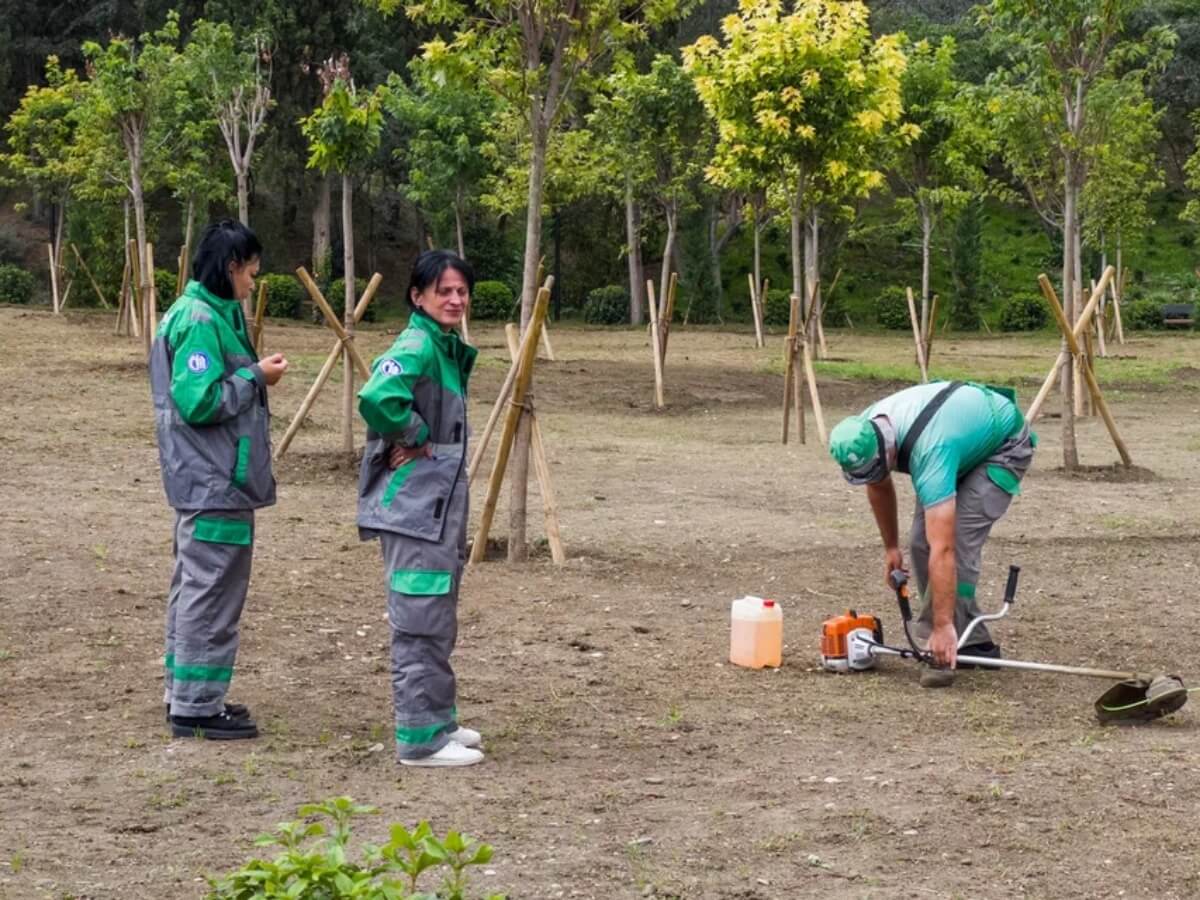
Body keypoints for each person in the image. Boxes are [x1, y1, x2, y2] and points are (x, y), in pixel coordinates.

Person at [149, 219, 288, 738]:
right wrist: (257, 376)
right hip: (214, 480)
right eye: (251, 273)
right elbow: (199, 400)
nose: (253, 284)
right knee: (211, 593)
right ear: (231, 268)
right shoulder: (200, 320)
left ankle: (185, 694)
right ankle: (197, 708)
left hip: (207, 479)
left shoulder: (200, 313)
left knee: (195, 587)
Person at [357, 249, 483, 767]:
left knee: (436, 614)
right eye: (444, 291)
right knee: (419, 618)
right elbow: (379, 394)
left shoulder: (443, 344)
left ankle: (438, 720)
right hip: (415, 506)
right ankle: (419, 740)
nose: (455, 300)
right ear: (418, 296)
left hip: (436, 505)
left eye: (461, 291)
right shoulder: (416, 344)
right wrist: (416, 435)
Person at [828, 380, 1035, 688]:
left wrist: (941, 624)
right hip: (959, 438)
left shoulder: (931, 454)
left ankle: (938, 645)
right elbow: (878, 484)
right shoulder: (863, 432)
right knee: (919, 543)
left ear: (887, 448)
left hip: (1003, 445)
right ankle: (972, 642)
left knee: (956, 542)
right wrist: (891, 549)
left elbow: (945, 549)